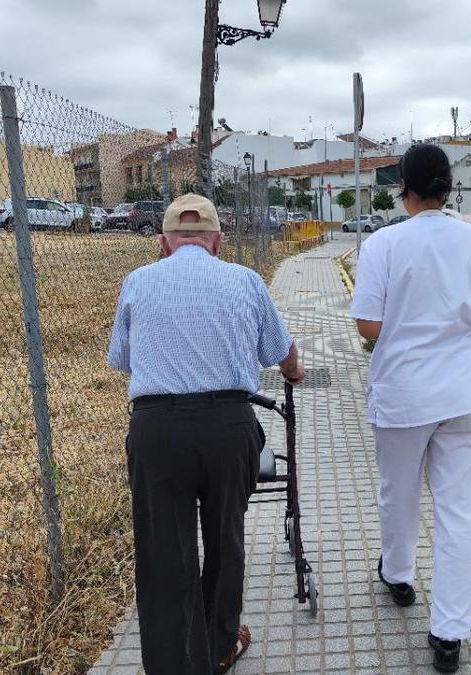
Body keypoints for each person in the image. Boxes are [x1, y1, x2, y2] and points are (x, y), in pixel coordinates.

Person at [107, 193, 305, 675]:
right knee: (225, 538)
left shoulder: (138, 282)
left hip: (158, 431)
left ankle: (172, 663)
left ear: (163, 244)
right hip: (228, 429)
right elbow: (283, 353)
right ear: (218, 241)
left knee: (162, 552)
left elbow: (123, 362)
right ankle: (219, 646)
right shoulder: (246, 280)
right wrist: (295, 374)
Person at [350, 145, 471, 673]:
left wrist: (408, 317)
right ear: (449, 187)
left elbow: (368, 326)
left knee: (398, 492)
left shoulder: (383, 244)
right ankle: (449, 636)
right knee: (459, 514)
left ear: (404, 185)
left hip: (405, 394)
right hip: (466, 396)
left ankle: (398, 575)